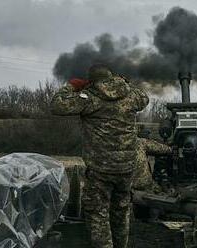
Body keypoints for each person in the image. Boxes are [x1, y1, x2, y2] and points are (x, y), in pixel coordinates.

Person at [50, 64, 149, 248]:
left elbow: (57, 105)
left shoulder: (90, 98)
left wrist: (71, 86)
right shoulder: (131, 96)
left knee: (98, 214)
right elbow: (144, 97)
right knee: (121, 211)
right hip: (126, 168)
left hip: (100, 170)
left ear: (91, 81)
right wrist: (124, 82)